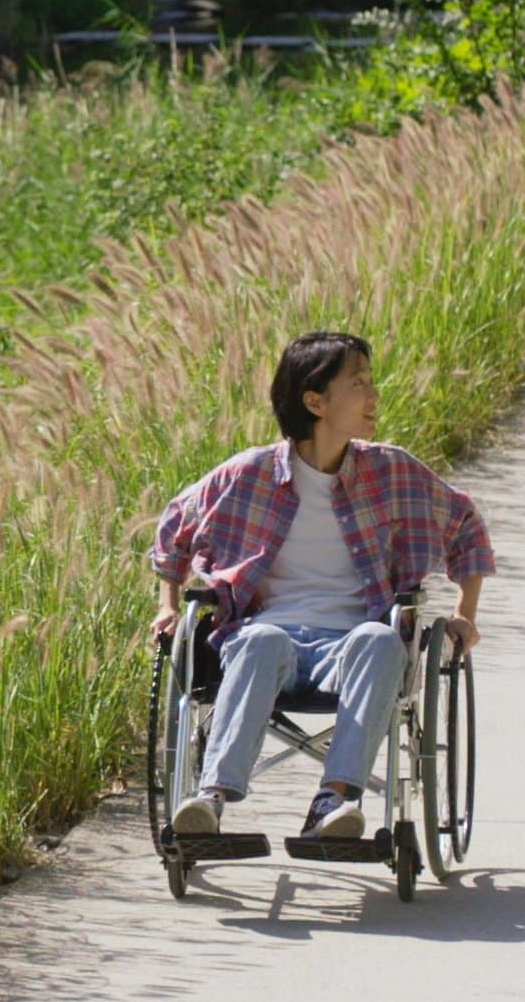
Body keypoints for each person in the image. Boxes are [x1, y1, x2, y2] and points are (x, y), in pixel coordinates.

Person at [150, 330, 493, 840]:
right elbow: (174, 528)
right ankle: (210, 800)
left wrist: (467, 611)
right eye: (359, 384)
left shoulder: (390, 471)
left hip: (352, 645)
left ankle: (332, 802)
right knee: (261, 639)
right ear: (315, 400)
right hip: (268, 641)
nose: (374, 396)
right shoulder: (249, 474)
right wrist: (168, 605)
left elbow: (464, 522)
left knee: (381, 639)